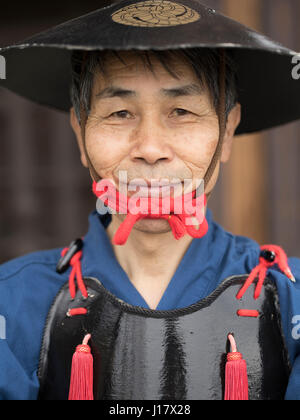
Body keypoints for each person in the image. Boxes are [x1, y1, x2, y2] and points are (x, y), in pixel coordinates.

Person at [0, 0, 300, 401]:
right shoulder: (14, 302)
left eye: (181, 110)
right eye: (120, 113)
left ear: (227, 132)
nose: (151, 148)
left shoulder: (291, 298)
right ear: (79, 132)